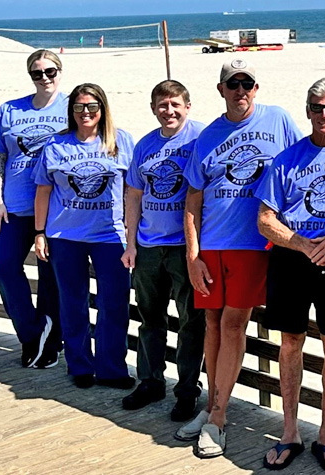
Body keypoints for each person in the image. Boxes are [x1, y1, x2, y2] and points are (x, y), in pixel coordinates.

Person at [176, 58, 302, 457]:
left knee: (233, 324)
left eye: (247, 83)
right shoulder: (209, 135)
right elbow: (192, 199)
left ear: (256, 87)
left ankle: (218, 418)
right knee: (212, 324)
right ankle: (214, 403)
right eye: (233, 84)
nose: (241, 90)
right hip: (211, 244)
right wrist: (193, 255)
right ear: (221, 90)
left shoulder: (278, 120)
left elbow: (302, 163)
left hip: (253, 245)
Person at [255, 77, 325, 473]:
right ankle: (290, 432)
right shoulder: (286, 159)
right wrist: (304, 244)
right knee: (290, 342)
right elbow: (265, 220)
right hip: (292, 259)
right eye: (318, 108)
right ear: (307, 112)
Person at [32, 83, 135, 390]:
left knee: (114, 303)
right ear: (71, 111)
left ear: (102, 109)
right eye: (79, 107)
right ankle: (79, 365)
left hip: (111, 235)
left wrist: (132, 234)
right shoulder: (56, 145)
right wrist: (40, 233)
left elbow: (133, 191)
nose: (85, 113)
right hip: (65, 235)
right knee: (72, 302)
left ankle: (111, 368)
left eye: (92, 107)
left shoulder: (121, 141)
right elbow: (43, 191)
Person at [119, 80, 208, 421]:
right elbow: (133, 196)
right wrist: (130, 243)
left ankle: (187, 390)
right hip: (149, 245)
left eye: (175, 104)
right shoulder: (145, 146)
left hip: (185, 247)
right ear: (153, 108)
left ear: (187, 106)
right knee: (149, 318)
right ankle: (150, 381)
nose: (168, 111)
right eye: (162, 105)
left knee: (190, 321)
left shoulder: (200, 138)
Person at [0, 49, 67, 369]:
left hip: (56, 207)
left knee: (50, 277)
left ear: (60, 72)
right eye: (37, 73)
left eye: (50, 71)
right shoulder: (9, 110)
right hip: (14, 207)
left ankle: (48, 342)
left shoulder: (72, 106)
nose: (44, 78)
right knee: (3, 265)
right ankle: (31, 334)